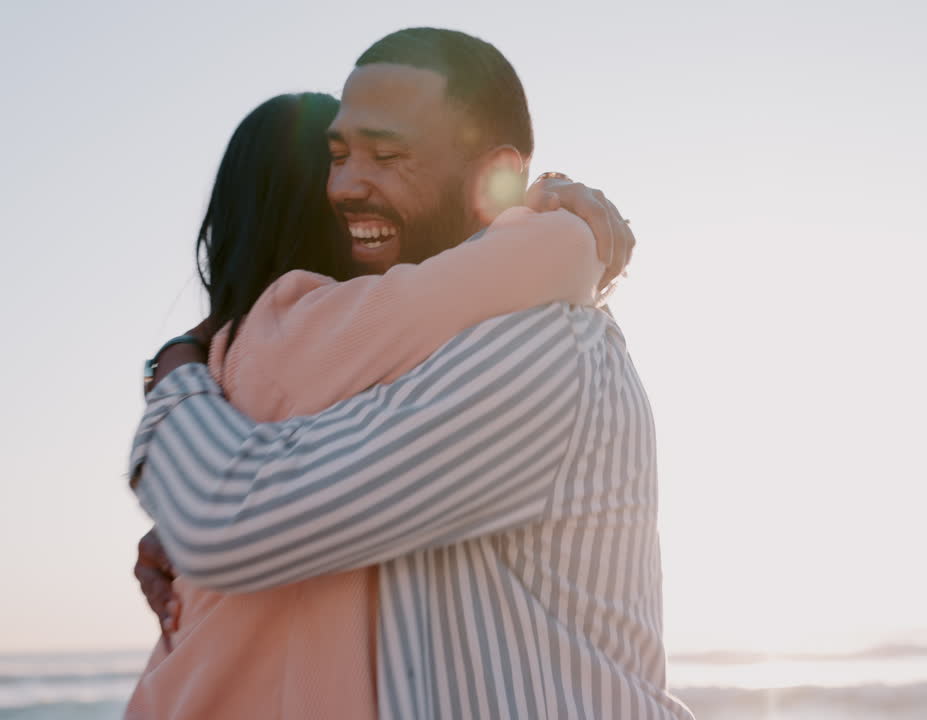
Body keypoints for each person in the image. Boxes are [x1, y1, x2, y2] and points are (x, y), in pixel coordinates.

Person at [132, 27, 693, 719]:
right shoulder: (392, 355)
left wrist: (178, 378)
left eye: (388, 154)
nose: (345, 186)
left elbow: (231, 519)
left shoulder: (542, 349)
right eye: (338, 156)